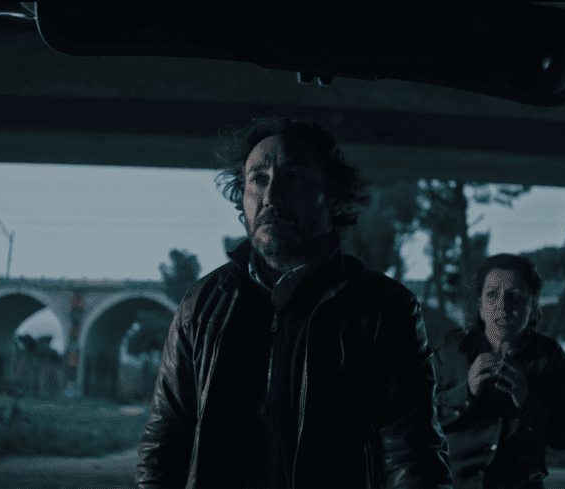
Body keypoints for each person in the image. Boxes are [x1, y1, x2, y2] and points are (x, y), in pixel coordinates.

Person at [136, 116, 453, 488]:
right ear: (242, 198)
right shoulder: (203, 304)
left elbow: (411, 455)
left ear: (332, 197)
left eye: (295, 178)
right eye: (258, 179)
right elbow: (165, 442)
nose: (271, 196)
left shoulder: (385, 308)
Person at [434, 254, 565, 488]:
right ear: (481, 306)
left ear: (532, 306)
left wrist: (528, 402)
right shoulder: (453, 349)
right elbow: (419, 417)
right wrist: (465, 391)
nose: (502, 306)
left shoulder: (550, 357)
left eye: (515, 296)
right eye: (492, 295)